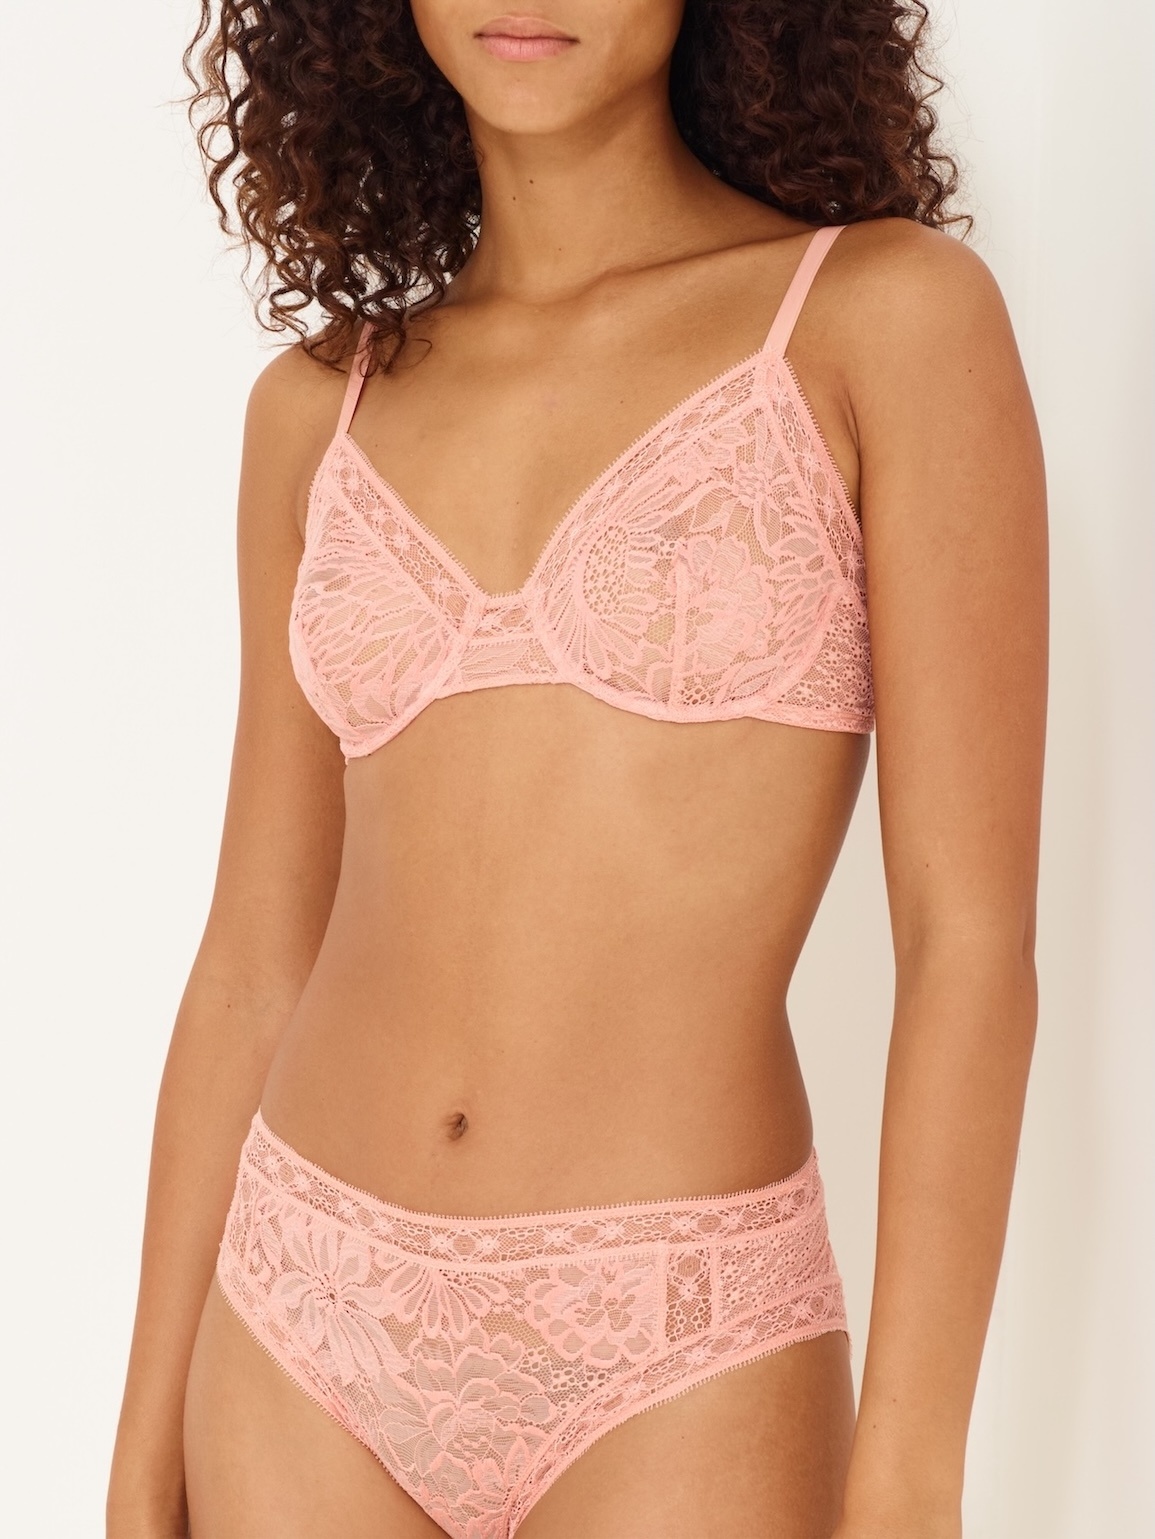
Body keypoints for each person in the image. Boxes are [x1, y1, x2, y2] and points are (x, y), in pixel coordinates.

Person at [107, 3, 1047, 1536]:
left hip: (685, 1336)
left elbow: (969, 942)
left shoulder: (879, 320)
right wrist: (141, 1447)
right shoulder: (317, 409)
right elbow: (252, 960)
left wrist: (910, 1472)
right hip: (299, 1315)